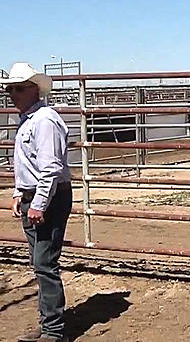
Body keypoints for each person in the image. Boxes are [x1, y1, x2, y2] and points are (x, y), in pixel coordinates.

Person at [3, 63, 72, 342]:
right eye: (10, 89)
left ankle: (53, 330)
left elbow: (50, 168)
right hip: (37, 195)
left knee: (44, 263)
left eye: (18, 88)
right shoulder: (31, 119)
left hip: (48, 196)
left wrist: (39, 203)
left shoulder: (44, 120)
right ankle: (49, 326)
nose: (12, 94)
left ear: (34, 89)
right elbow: (28, 165)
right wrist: (21, 193)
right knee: (41, 262)